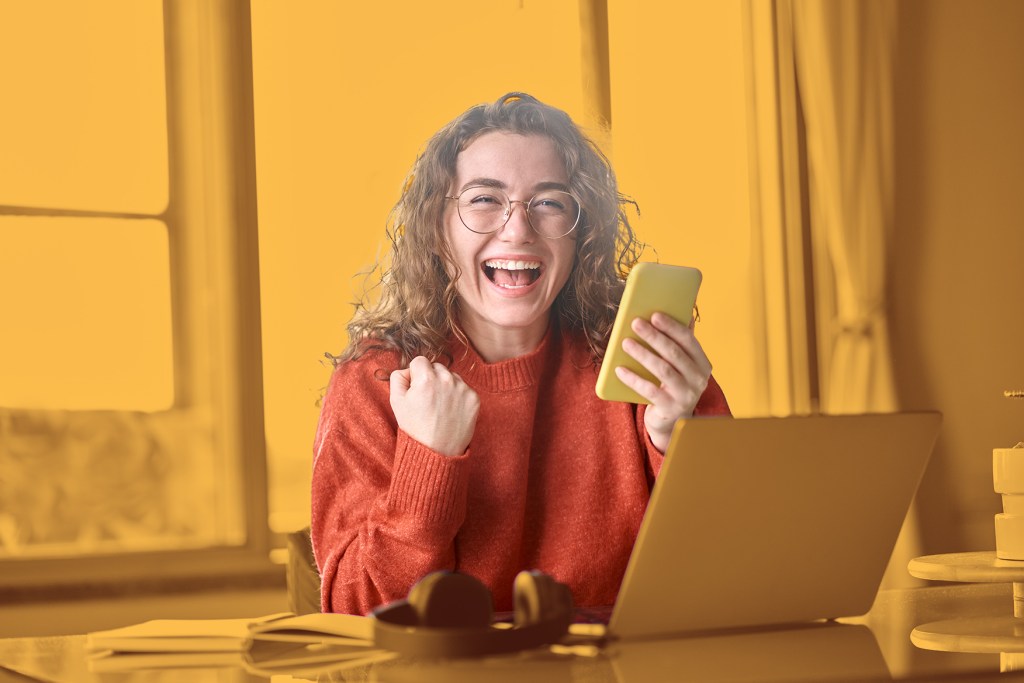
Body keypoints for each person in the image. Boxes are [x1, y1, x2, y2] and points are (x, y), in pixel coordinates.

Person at [311, 92, 730, 616]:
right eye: (484, 199)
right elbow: (355, 615)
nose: (518, 230)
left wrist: (677, 441)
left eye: (550, 203)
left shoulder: (646, 365)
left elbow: (733, 573)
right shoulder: (375, 380)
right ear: (437, 229)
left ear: (582, 233)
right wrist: (428, 459)